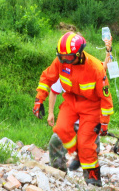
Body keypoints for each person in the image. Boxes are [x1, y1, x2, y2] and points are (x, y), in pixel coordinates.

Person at [33, 32, 113, 186]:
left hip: (91, 106)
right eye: (61, 57)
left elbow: (106, 98)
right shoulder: (62, 61)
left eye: (68, 57)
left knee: (86, 145)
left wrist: (104, 123)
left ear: (80, 53)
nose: (64, 61)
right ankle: (77, 153)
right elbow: (46, 78)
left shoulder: (95, 68)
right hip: (70, 101)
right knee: (60, 129)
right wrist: (39, 100)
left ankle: (93, 181)